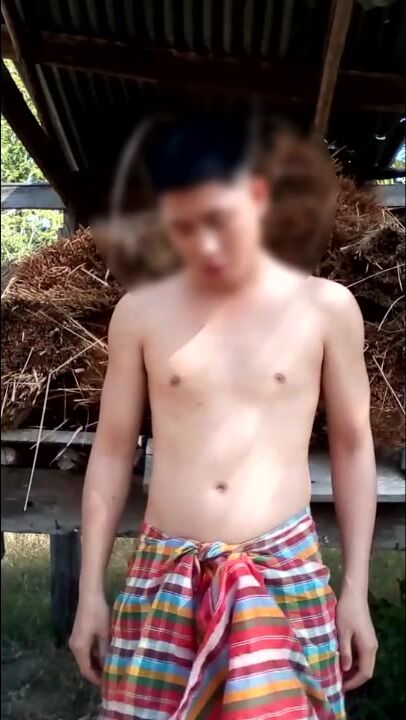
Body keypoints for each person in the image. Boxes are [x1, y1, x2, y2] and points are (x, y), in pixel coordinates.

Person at [70, 113, 378, 719]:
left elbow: (352, 444)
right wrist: (89, 594)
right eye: (184, 228)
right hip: (166, 576)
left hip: (283, 572)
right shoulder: (140, 313)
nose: (205, 245)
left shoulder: (325, 309)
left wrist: (356, 589)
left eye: (218, 220)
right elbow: (111, 451)